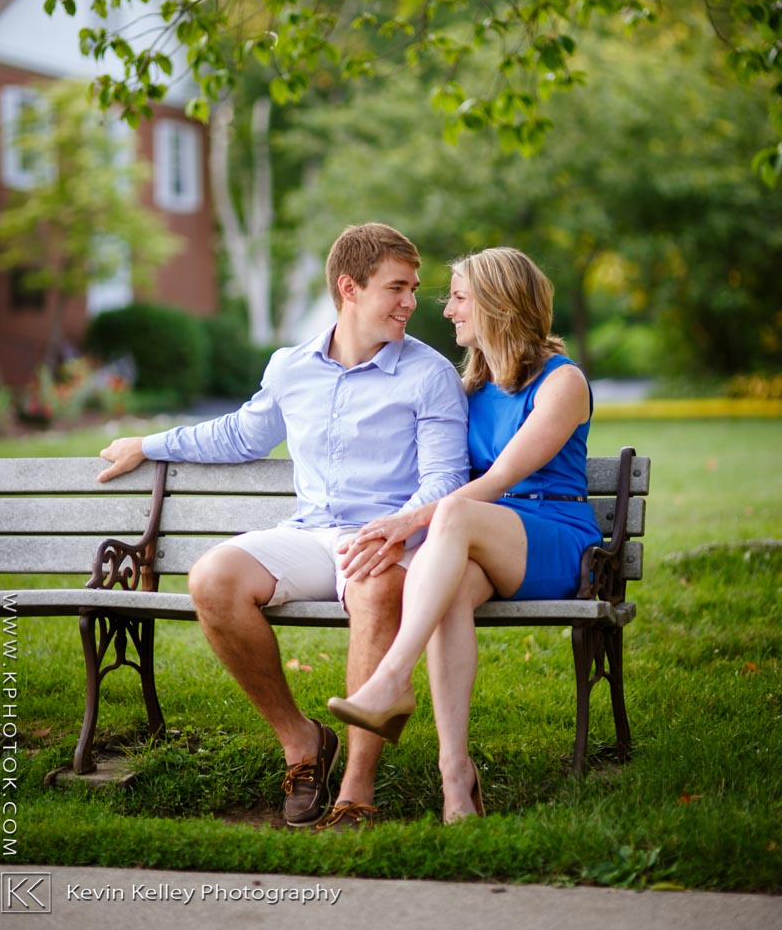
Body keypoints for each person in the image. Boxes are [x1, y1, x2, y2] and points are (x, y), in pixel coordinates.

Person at [97, 223, 468, 831]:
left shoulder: (428, 374)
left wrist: (396, 528)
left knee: (377, 588)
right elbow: (242, 434)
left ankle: (357, 788)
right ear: (350, 287)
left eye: (415, 288)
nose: (411, 302)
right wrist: (149, 442)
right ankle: (302, 743)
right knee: (213, 577)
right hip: (313, 532)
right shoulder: (292, 367)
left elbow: (446, 479)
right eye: (397, 287)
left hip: (390, 540)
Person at [328, 247, 602, 823]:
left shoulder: (563, 381)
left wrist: (411, 521)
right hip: (483, 536)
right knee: (447, 588)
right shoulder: (471, 386)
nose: (448, 311)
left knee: (449, 519)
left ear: (498, 304)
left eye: (458, 297)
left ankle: (391, 682)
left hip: (554, 537)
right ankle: (456, 777)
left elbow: (503, 477)